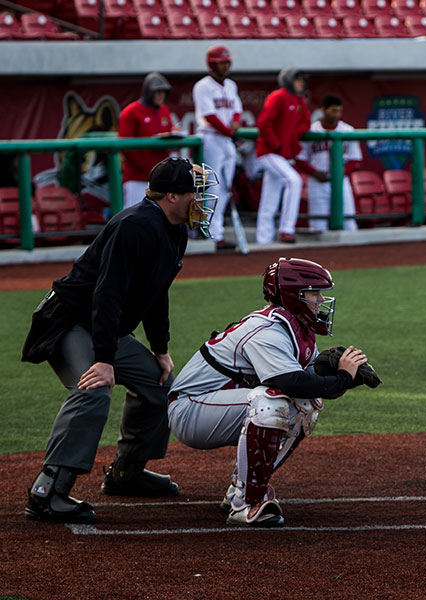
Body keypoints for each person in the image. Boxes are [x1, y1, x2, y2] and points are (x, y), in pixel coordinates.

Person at [21, 157, 219, 524]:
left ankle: (127, 473)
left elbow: (156, 293)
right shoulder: (135, 226)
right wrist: (104, 358)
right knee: (93, 388)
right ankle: (47, 490)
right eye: (195, 191)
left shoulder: (174, 229)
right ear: (172, 196)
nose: (201, 199)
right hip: (66, 321)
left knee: (158, 384)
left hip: (98, 324)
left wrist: (160, 350)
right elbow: (107, 295)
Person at [167, 258, 377, 527]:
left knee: (306, 406)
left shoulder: (296, 329)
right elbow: (292, 383)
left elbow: (309, 385)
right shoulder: (267, 331)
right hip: (191, 408)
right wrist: (343, 377)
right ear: (294, 296)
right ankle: (247, 503)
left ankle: (238, 488)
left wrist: (346, 377)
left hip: (219, 402)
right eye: (314, 292)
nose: (321, 299)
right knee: (272, 403)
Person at [193, 45, 242, 251]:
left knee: (225, 187)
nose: (227, 65)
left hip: (226, 140)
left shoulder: (231, 85)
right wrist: (229, 130)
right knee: (212, 186)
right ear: (212, 64)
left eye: (228, 62)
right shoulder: (202, 86)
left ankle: (217, 231)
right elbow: (209, 115)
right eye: (223, 62)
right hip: (211, 137)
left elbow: (237, 110)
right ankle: (207, 230)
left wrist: (236, 123)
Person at [255, 67, 311, 245]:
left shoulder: (299, 100)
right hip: (269, 152)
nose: (301, 83)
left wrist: (295, 134)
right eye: (297, 79)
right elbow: (263, 123)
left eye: (302, 80)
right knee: (293, 181)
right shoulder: (278, 96)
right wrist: (276, 144)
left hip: (282, 154)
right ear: (288, 80)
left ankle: (263, 239)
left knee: (269, 198)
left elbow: (306, 122)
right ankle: (286, 230)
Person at [296, 94, 363, 232]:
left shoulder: (347, 130)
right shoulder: (312, 130)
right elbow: (300, 158)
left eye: (339, 111)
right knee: (317, 225)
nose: (336, 114)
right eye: (333, 111)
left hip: (341, 181)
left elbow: (355, 159)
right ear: (324, 110)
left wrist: (340, 173)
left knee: (349, 223)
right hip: (317, 181)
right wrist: (314, 172)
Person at [118, 72, 179, 210]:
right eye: (157, 92)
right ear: (148, 92)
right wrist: (148, 169)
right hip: (137, 178)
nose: (160, 96)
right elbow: (125, 146)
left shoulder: (164, 111)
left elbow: (168, 135)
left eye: (163, 92)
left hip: (161, 180)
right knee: (134, 218)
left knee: (161, 219)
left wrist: (174, 134)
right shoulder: (131, 111)